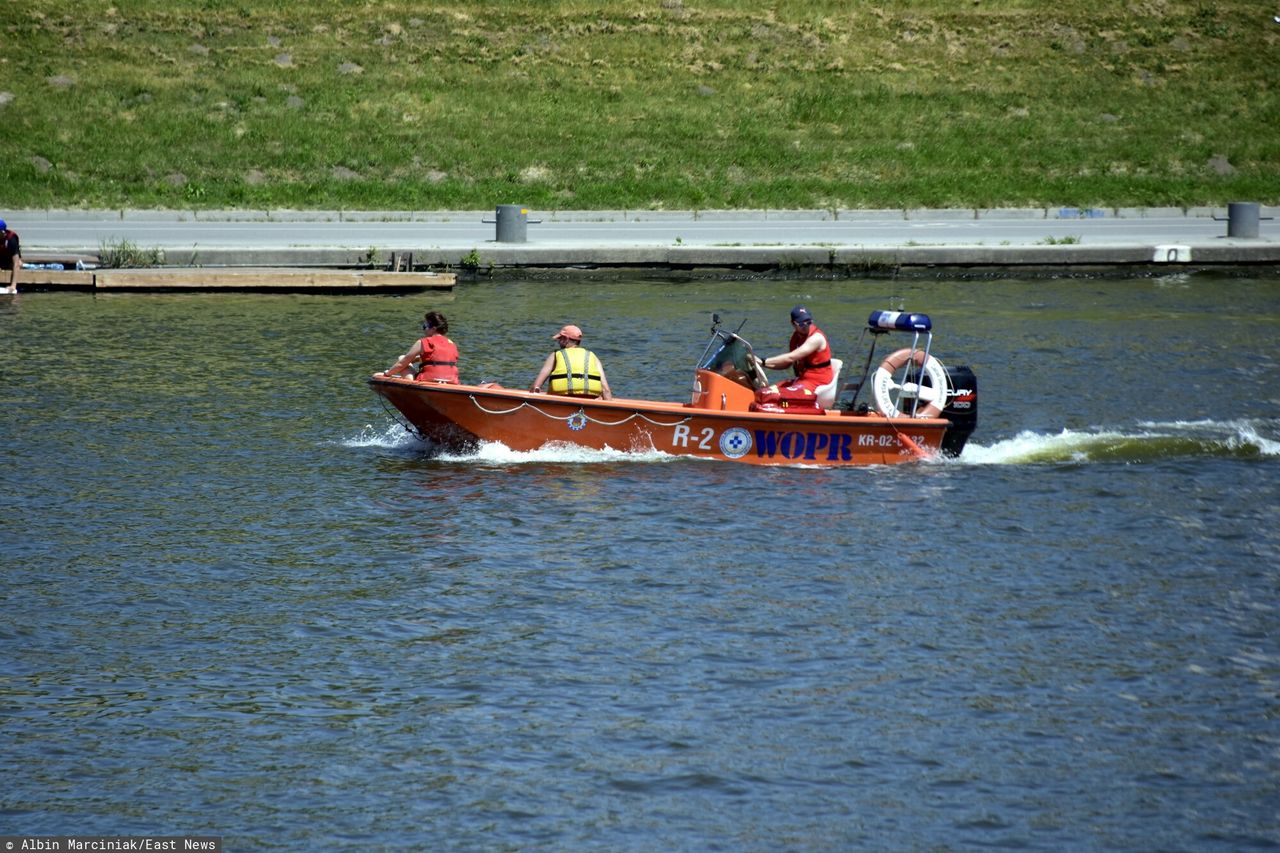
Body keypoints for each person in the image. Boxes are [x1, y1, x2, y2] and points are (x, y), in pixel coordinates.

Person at [760, 305, 834, 393]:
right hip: (803, 379)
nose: (806, 325)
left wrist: (763, 361)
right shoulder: (795, 338)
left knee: (777, 395)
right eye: (802, 323)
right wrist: (761, 364)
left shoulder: (816, 338)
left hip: (818, 381)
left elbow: (791, 357)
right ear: (793, 324)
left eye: (808, 322)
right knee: (766, 391)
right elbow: (787, 364)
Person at [530, 324, 613, 400]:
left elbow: (536, 387)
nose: (558, 341)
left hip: (561, 401)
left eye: (560, 338)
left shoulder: (555, 355)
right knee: (600, 398)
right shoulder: (592, 356)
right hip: (589, 401)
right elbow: (606, 390)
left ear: (566, 339)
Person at [376, 310, 460, 383]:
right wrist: (416, 359)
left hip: (428, 380)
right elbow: (437, 359)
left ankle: (409, 384)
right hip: (452, 381)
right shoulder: (451, 344)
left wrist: (386, 374)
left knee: (401, 358)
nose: (423, 328)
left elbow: (402, 364)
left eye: (425, 325)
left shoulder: (423, 342)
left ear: (433, 328)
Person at [0, 219, 21, 294]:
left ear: (2, 232)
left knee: (18, 263)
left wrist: (13, 286)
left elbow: (16, 264)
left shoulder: (11, 240)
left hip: (10, 261)